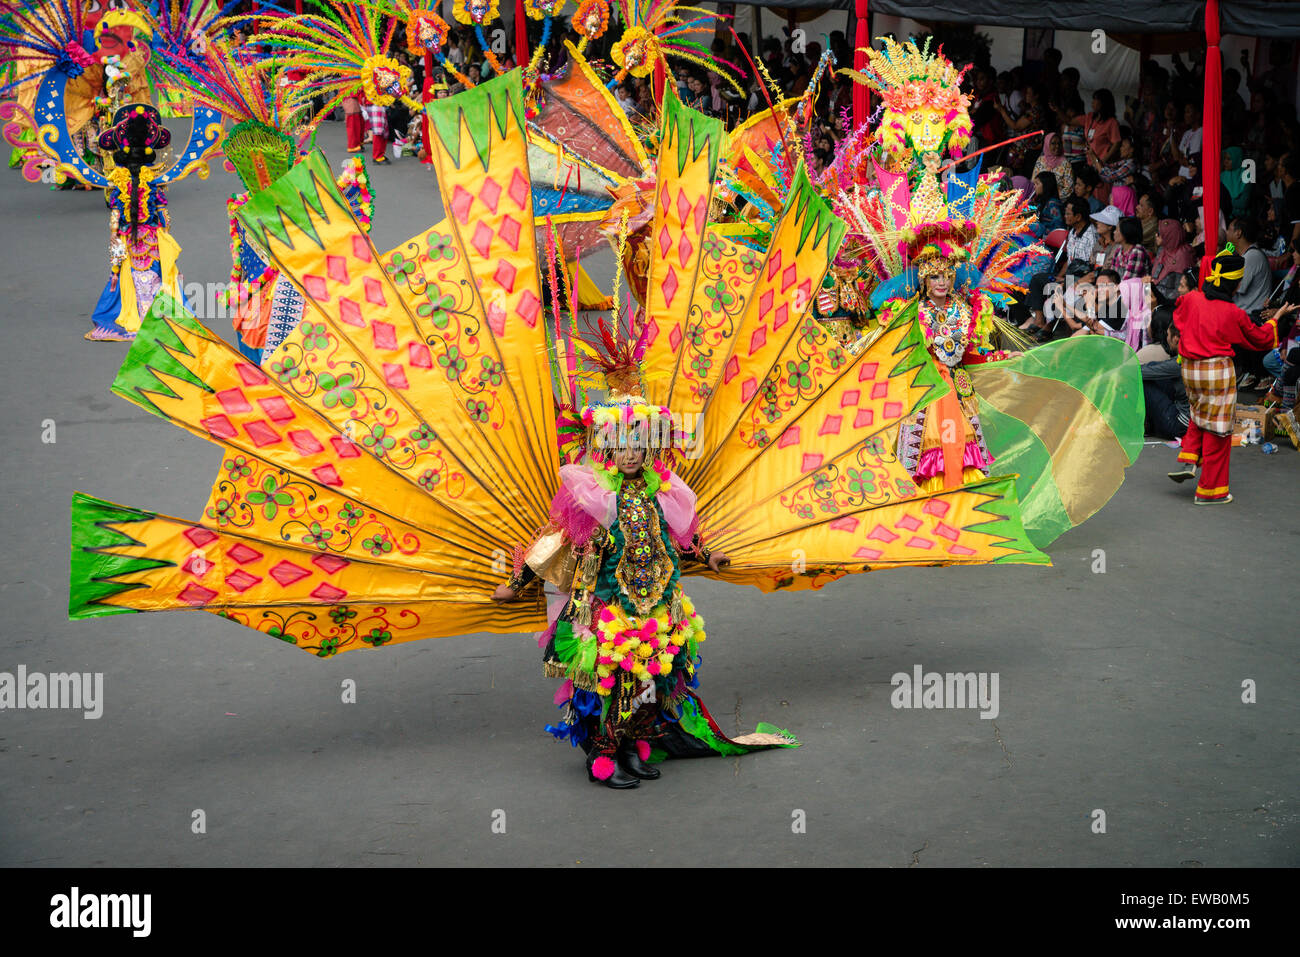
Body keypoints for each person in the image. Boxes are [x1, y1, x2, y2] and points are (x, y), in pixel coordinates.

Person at [1167, 246, 1295, 504]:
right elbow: (1260, 339)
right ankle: (1210, 491)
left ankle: (1190, 458)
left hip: (1190, 370)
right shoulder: (1233, 313)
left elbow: (1179, 319)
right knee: (1219, 431)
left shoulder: (1191, 299)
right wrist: (1277, 318)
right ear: (1235, 285)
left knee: (1198, 412)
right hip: (1216, 372)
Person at [87, 105, 186, 342]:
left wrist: (114, 252)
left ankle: (131, 313)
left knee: (122, 275)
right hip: (151, 239)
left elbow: (115, 219)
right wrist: (164, 236)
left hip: (126, 238)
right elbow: (164, 216)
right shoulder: (154, 181)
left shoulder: (118, 182)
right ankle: (156, 314)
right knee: (158, 273)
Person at [1151, 217, 1194, 282]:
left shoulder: (1182, 257)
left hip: (1162, 291)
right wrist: (1147, 288)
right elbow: (1153, 278)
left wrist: (1151, 289)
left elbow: (1179, 290)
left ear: (1170, 236)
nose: (1156, 235)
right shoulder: (1163, 249)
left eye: (1160, 234)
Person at [1033, 132, 1074, 197]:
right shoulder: (1041, 160)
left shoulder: (1066, 164)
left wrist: (1053, 198)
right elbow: (1034, 181)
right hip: (1039, 198)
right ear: (1047, 144)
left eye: (1059, 143)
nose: (1057, 146)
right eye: (1053, 143)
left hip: (1057, 201)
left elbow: (1069, 189)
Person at [1111, 216, 1153, 280]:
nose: (1114, 232)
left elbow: (1126, 282)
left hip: (1136, 289)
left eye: (1117, 229)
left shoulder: (1137, 252)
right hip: (1118, 288)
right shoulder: (1119, 250)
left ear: (1126, 232)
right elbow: (1112, 276)